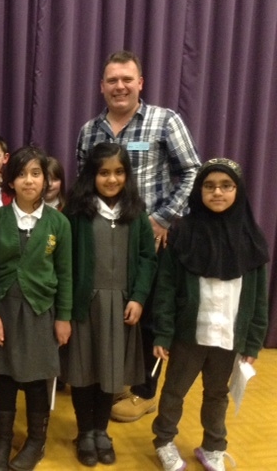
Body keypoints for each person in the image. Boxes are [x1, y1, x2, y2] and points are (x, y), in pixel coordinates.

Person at [77, 50, 201, 422]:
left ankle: (145, 391)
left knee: (147, 312)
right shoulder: (89, 130)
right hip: (103, 237)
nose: (119, 86)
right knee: (112, 309)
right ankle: (115, 377)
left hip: (152, 238)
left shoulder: (165, 121)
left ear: (140, 83)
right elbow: (85, 183)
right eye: (112, 80)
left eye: (126, 79)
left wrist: (163, 219)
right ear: (102, 87)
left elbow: (193, 172)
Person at [151, 158, 269, 471]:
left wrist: (253, 343)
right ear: (199, 191)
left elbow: (258, 300)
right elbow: (165, 287)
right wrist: (163, 332)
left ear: (238, 191)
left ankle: (213, 446)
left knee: (217, 394)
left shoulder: (251, 238)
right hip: (189, 334)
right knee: (174, 391)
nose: (217, 192)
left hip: (229, 336)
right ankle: (164, 440)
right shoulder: (183, 231)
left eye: (226, 186)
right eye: (209, 186)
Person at [0, 145, 73, 471]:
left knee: (36, 380)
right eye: (21, 174)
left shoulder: (59, 223)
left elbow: (65, 274)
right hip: (4, 310)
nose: (29, 180)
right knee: (4, 378)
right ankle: (2, 441)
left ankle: (35, 442)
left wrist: (63, 317)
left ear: (46, 180)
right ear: (10, 180)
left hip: (41, 311)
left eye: (36, 174)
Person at [65, 143, 157, 466]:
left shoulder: (135, 213)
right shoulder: (77, 212)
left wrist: (139, 297)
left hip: (121, 307)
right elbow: (65, 262)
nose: (112, 179)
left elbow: (148, 257)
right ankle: (85, 431)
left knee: (109, 371)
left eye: (119, 172)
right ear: (92, 174)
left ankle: (101, 430)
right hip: (84, 307)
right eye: (104, 172)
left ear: (127, 176)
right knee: (83, 371)